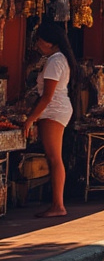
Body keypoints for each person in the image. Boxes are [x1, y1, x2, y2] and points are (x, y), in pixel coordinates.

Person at [24, 23, 78, 217]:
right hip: (57, 109)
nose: (37, 44)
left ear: (49, 42)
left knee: (54, 158)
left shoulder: (55, 61)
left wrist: (30, 120)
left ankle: (58, 205)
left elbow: (47, 96)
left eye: (39, 40)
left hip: (53, 111)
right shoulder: (58, 59)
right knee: (55, 157)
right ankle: (57, 204)